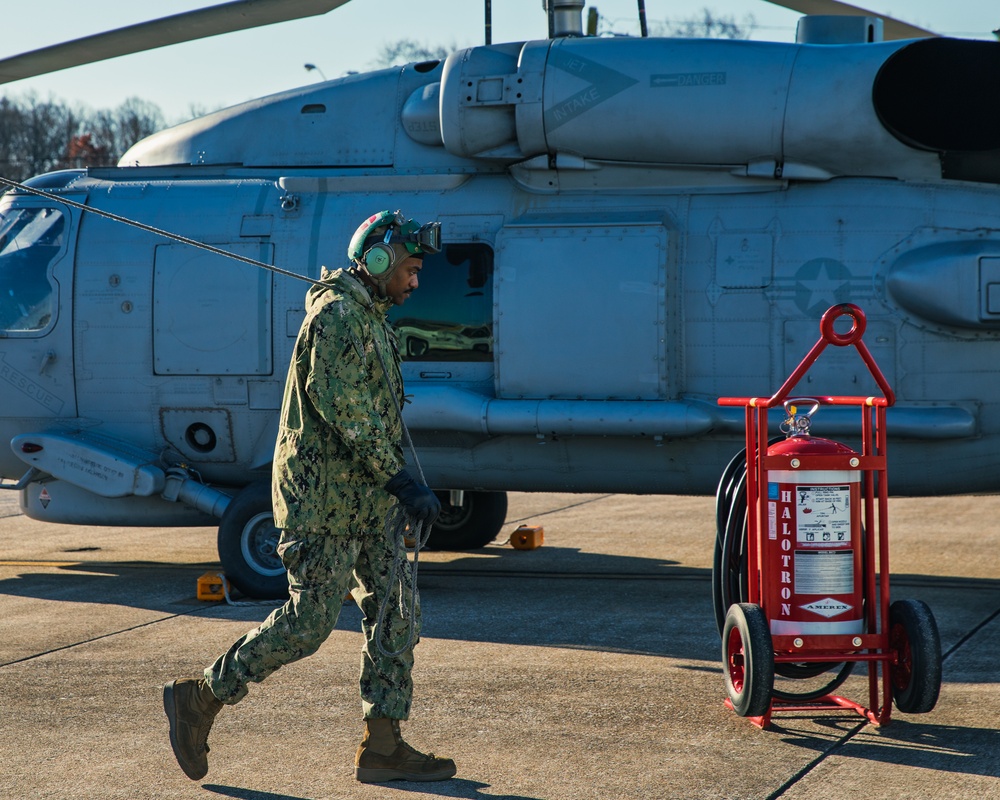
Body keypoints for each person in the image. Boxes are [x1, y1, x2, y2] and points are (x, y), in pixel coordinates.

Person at [163, 210, 455, 784]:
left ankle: (383, 744)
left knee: (397, 612)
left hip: (367, 505)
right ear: (380, 261)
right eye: (412, 269)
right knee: (308, 623)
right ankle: (200, 697)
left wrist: (395, 490)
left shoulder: (372, 320)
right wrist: (402, 482)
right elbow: (345, 410)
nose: (416, 281)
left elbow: (376, 418)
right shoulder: (338, 318)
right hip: (323, 505)